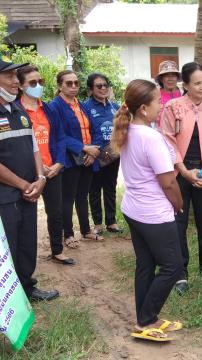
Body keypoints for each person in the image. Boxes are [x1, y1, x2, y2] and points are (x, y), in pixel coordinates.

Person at [111, 79, 183, 341]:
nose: (161, 106)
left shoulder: (128, 130)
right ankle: (148, 319)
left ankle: (145, 319)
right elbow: (168, 181)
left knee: (146, 264)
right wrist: (178, 204)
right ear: (143, 108)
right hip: (153, 214)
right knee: (172, 267)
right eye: (157, 102)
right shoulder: (151, 137)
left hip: (134, 209)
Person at [162, 62, 202, 295]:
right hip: (180, 175)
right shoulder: (172, 107)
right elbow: (168, 142)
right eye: (197, 83)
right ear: (185, 85)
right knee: (178, 225)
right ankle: (181, 275)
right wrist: (184, 171)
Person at [0, 59, 59, 300]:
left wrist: (40, 178)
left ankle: (26, 288)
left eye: (16, 76)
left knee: (27, 242)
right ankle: (8, 297)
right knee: (9, 246)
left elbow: (34, 146)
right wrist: (24, 184)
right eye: (10, 76)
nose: (16, 81)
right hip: (7, 194)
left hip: (30, 190)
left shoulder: (18, 109)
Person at [17, 65, 75, 266]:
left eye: (40, 81)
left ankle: (57, 250)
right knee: (25, 217)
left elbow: (60, 138)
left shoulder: (49, 109)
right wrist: (39, 168)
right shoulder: (15, 111)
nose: (38, 85)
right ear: (21, 86)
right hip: (27, 173)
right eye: (32, 83)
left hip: (53, 170)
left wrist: (59, 163)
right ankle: (22, 259)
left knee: (56, 212)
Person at [50, 70, 103, 249]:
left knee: (83, 195)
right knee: (68, 198)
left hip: (88, 157)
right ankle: (69, 234)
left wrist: (92, 152)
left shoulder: (80, 104)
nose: (73, 86)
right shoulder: (55, 106)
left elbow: (93, 128)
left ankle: (86, 230)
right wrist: (83, 148)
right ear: (60, 85)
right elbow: (60, 134)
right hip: (70, 158)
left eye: (76, 83)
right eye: (68, 83)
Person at [84, 73, 121, 235]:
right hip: (95, 155)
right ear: (91, 89)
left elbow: (122, 128)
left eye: (105, 85)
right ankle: (98, 223)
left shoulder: (115, 107)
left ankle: (111, 221)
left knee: (110, 187)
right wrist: (91, 151)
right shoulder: (85, 108)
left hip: (113, 155)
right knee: (94, 189)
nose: (103, 88)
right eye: (99, 86)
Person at [154, 60, 182, 129]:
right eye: (166, 75)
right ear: (161, 78)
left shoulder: (183, 93)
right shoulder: (155, 94)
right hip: (160, 133)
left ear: (177, 77)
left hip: (181, 133)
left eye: (173, 75)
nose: (170, 79)